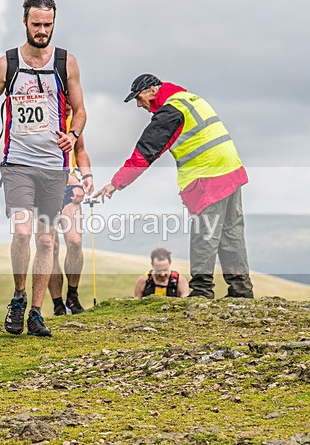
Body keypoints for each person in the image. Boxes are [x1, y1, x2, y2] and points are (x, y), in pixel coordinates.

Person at [0, 0, 87, 336]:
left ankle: (37, 311)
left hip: (54, 166)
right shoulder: (7, 64)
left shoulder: (66, 63)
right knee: (23, 232)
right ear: (24, 23)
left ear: (54, 24)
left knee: (48, 241)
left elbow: (79, 109)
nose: (41, 30)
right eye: (35, 24)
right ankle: (19, 297)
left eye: (47, 25)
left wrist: (74, 133)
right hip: (18, 163)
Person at [93, 74, 254, 299]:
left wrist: (115, 183)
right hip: (231, 169)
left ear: (152, 90)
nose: (139, 105)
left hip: (206, 175)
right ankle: (241, 290)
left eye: (139, 99)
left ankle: (201, 291)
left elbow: (146, 151)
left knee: (204, 232)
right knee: (231, 232)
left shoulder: (171, 111)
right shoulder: (189, 99)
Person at [48, 128, 93, 315]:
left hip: (70, 188)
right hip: (46, 186)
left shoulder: (74, 120)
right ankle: (58, 304)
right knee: (50, 248)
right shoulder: (46, 111)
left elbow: (80, 150)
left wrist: (87, 176)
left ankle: (72, 296)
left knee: (75, 242)